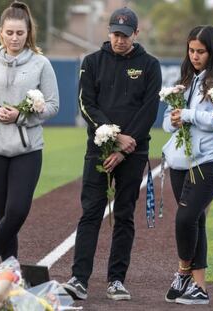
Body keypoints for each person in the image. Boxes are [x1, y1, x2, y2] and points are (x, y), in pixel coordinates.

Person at [63, 6, 161, 301]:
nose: (120, 39)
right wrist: (113, 138)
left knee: (124, 215)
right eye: (116, 34)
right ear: (109, 32)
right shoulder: (91, 62)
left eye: (126, 35)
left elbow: (149, 110)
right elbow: (86, 104)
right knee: (91, 212)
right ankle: (79, 278)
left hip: (135, 151)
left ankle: (117, 279)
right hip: (98, 150)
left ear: (136, 34)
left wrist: (126, 146)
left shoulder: (150, 65)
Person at [0, 1, 59, 274]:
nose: (14, 38)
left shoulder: (41, 64)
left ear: (28, 32)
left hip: (27, 150)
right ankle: (11, 275)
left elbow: (53, 106)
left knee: (17, 211)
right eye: (9, 33)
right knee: (2, 217)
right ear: (0, 33)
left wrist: (20, 116)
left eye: (20, 33)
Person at [161, 25, 213, 305]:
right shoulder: (189, 78)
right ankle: (199, 287)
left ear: (212, 51)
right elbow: (168, 121)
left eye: (200, 51)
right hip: (182, 159)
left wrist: (188, 115)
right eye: (191, 50)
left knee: (186, 218)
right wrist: (175, 119)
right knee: (196, 221)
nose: (194, 56)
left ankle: (182, 272)